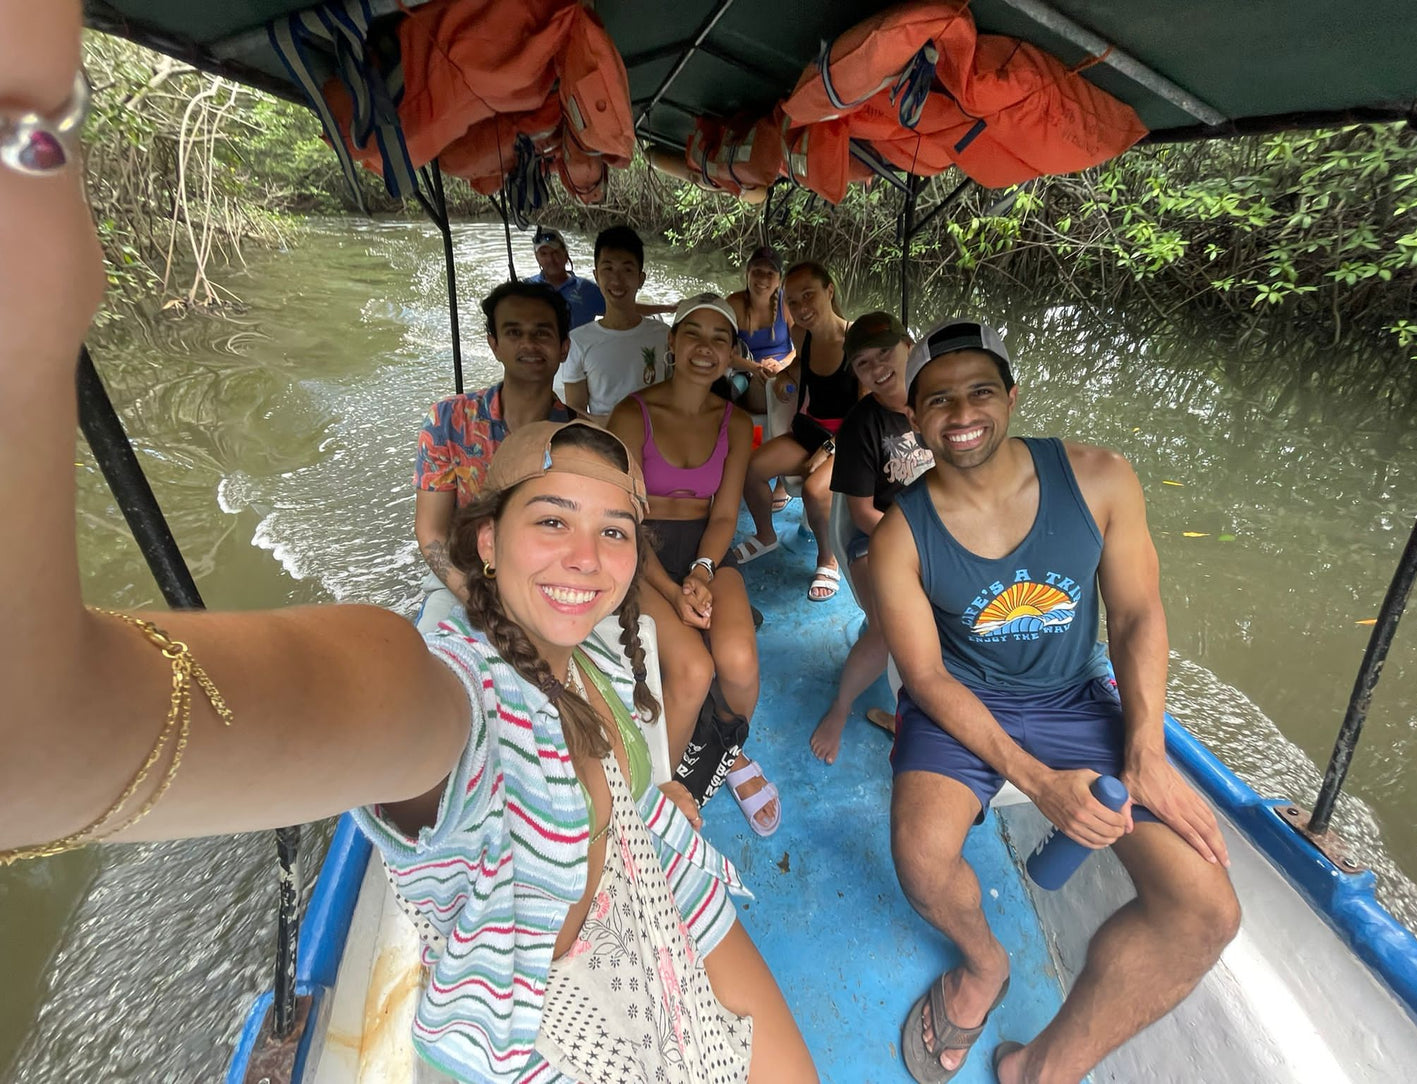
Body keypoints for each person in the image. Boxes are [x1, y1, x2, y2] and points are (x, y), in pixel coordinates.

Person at [0, 8, 820, 1081]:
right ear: (487, 540)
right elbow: (37, 746)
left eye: (612, 528)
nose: (590, 552)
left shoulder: (597, 652)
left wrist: (651, 811)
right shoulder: (439, 690)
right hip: (527, 1035)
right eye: (551, 520)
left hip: (653, 909)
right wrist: (27, 322)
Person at [869, 320, 1240, 1083]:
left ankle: (1041, 1070)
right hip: (963, 698)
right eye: (937, 399)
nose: (960, 412)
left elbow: (1137, 616)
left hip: (1073, 696)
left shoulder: (1100, 479)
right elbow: (927, 680)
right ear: (914, 418)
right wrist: (1040, 784)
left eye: (979, 391)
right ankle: (982, 964)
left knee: (1205, 910)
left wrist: (1145, 749)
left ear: (1011, 396)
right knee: (920, 858)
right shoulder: (900, 535)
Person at [608, 294, 781, 836]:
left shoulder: (735, 420)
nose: (706, 348)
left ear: (732, 353)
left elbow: (726, 512)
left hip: (705, 545)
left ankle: (724, 757)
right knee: (695, 668)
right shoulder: (631, 414)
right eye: (694, 334)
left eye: (719, 339)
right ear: (672, 343)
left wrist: (703, 572)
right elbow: (623, 515)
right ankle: (660, 790)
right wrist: (671, 585)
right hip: (641, 550)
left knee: (739, 661)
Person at [413, 279, 574, 630]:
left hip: (553, 582)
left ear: (563, 347)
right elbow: (431, 531)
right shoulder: (447, 421)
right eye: (514, 332)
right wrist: (478, 599)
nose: (529, 344)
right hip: (463, 579)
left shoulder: (578, 436)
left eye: (542, 333)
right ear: (494, 344)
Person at [810, 312, 933, 764]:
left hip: (938, 537)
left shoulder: (940, 404)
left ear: (909, 343)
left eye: (885, 353)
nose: (878, 367)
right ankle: (840, 709)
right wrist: (924, 548)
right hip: (877, 539)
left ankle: (920, 716)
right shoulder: (864, 423)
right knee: (888, 630)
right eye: (863, 363)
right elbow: (862, 514)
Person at [732, 261, 858, 603]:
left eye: (809, 296)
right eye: (793, 300)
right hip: (809, 431)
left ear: (829, 291)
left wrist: (828, 450)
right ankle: (765, 534)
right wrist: (785, 377)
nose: (801, 308)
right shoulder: (802, 335)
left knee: (817, 490)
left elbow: (864, 415)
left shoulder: (856, 340)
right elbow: (798, 365)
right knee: (752, 468)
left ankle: (827, 558)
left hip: (847, 441)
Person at [558, 225, 672, 423]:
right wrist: (617, 423)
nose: (617, 280)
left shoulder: (663, 335)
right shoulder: (578, 341)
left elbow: (674, 395)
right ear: (596, 276)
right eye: (608, 269)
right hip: (605, 439)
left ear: (641, 279)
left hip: (656, 438)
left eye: (627, 270)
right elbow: (574, 412)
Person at [724, 245, 793, 428]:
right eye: (757, 271)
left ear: (779, 280)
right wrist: (755, 367)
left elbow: (802, 349)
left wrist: (783, 366)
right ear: (748, 273)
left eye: (770, 273)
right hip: (748, 373)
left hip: (785, 369)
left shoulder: (787, 303)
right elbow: (722, 353)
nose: (763, 278)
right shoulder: (734, 304)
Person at [525, 226, 606, 330]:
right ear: (537, 258)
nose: (550, 259)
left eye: (555, 253)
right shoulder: (526, 289)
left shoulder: (588, 289)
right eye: (543, 254)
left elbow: (620, 313)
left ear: (565, 254)